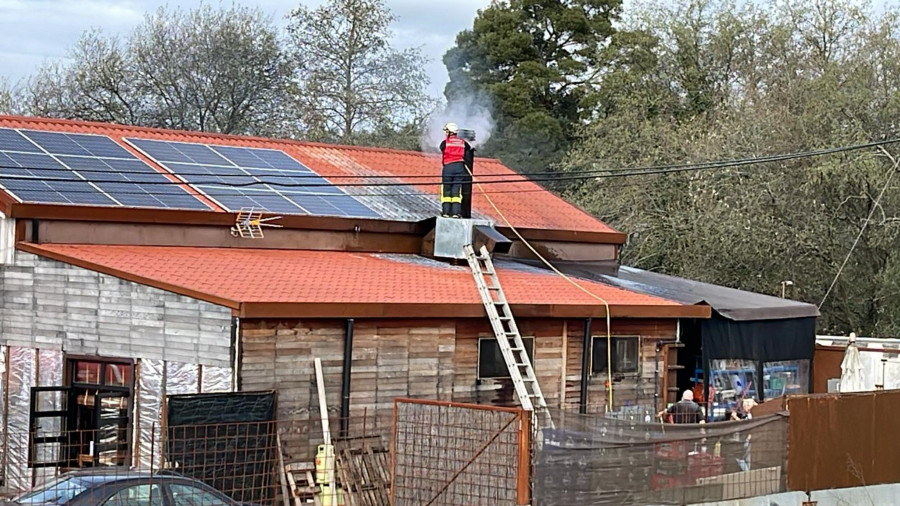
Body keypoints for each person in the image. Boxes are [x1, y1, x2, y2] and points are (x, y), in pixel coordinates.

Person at [439, 122, 474, 218]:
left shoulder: (445, 143)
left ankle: (446, 212)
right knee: (456, 190)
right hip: (460, 167)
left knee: (446, 190)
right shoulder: (463, 142)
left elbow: (442, 148)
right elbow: (469, 148)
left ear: (450, 132)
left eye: (446, 131)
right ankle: (456, 212)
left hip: (448, 167)